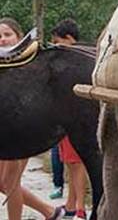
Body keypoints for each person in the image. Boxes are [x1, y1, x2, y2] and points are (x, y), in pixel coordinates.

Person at [0, 17, 64, 220]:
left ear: (19, 37)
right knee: (3, 182)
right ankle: (50, 211)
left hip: (23, 127)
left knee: (10, 181)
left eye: (7, 35)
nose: (2, 40)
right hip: (5, 128)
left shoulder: (29, 62)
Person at [50, 19, 88, 220]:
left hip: (75, 118)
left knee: (76, 163)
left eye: (58, 41)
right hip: (65, 118)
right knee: (70, 162)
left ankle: (80, 207)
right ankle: (72, 204)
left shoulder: (76, 61)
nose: (56, 46)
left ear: (69, 39)